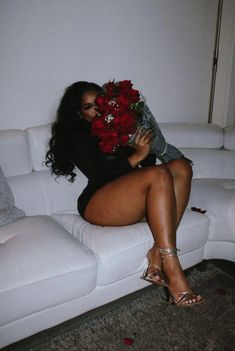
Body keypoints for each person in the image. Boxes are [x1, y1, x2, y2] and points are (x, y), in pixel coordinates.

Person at [46, 81, 203, 307]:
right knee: (157, 175)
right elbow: (100, 173)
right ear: (79, 114)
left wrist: (143, 148)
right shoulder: (78, 135)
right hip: (99, 202)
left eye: (99, 104)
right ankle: (172, 267)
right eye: (88, 107)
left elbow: (146, 166)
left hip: (131, 199)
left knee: (180, 167)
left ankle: (156, 254)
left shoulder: (119, 125)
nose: (96, 110)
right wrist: (137, 156)